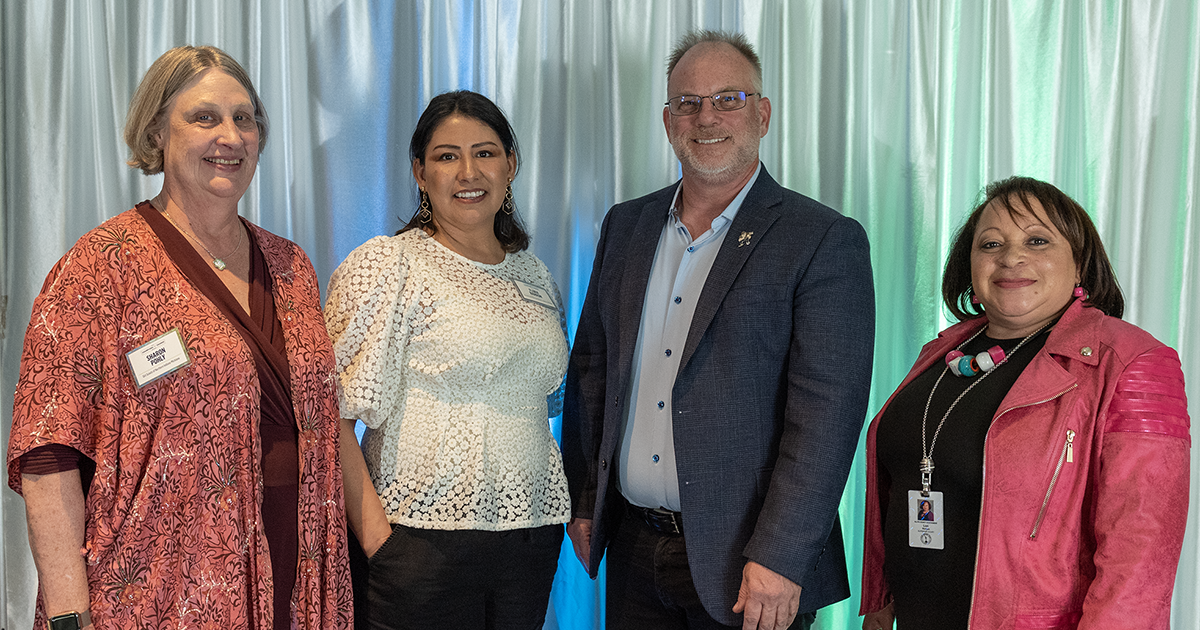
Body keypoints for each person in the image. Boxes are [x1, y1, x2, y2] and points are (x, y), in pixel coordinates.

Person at [6, 46, 352, 630]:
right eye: (205, 117)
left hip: (302, 569)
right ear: (156, 133)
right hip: (160, 590)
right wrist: (69, 613)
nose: (231, 136)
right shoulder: (101, 267)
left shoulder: (291, 266)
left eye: (245, 119)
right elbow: (49, 452)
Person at [561, 30, 875, 630]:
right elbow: (593, 370)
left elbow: (827, 417)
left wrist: (780, 555)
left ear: (762, 115)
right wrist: (585, 500)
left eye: (728, 99)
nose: (706, 117)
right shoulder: (626, 225)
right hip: (632, 547)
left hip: (749, 567)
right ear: (667, 120)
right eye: (688, 102)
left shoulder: (821, 239)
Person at [860, 176, 1190, 630]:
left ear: (1080, 265)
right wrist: (880, 602)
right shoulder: (943, 352)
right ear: (969, 266)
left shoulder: (1132, 362)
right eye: (990, 244)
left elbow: (1141, 556)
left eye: (1038, 241)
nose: (1011, 257)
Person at [325, 90, 569, 630]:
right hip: (417, 543)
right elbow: (331, 415)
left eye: (484, 153)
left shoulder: (534, 274)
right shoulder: (388, 265)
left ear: (510, 165)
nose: (467, 172)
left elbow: (545, 402)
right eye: (445, 156)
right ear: (419, 171)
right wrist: (378, 542)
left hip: (530, 535)